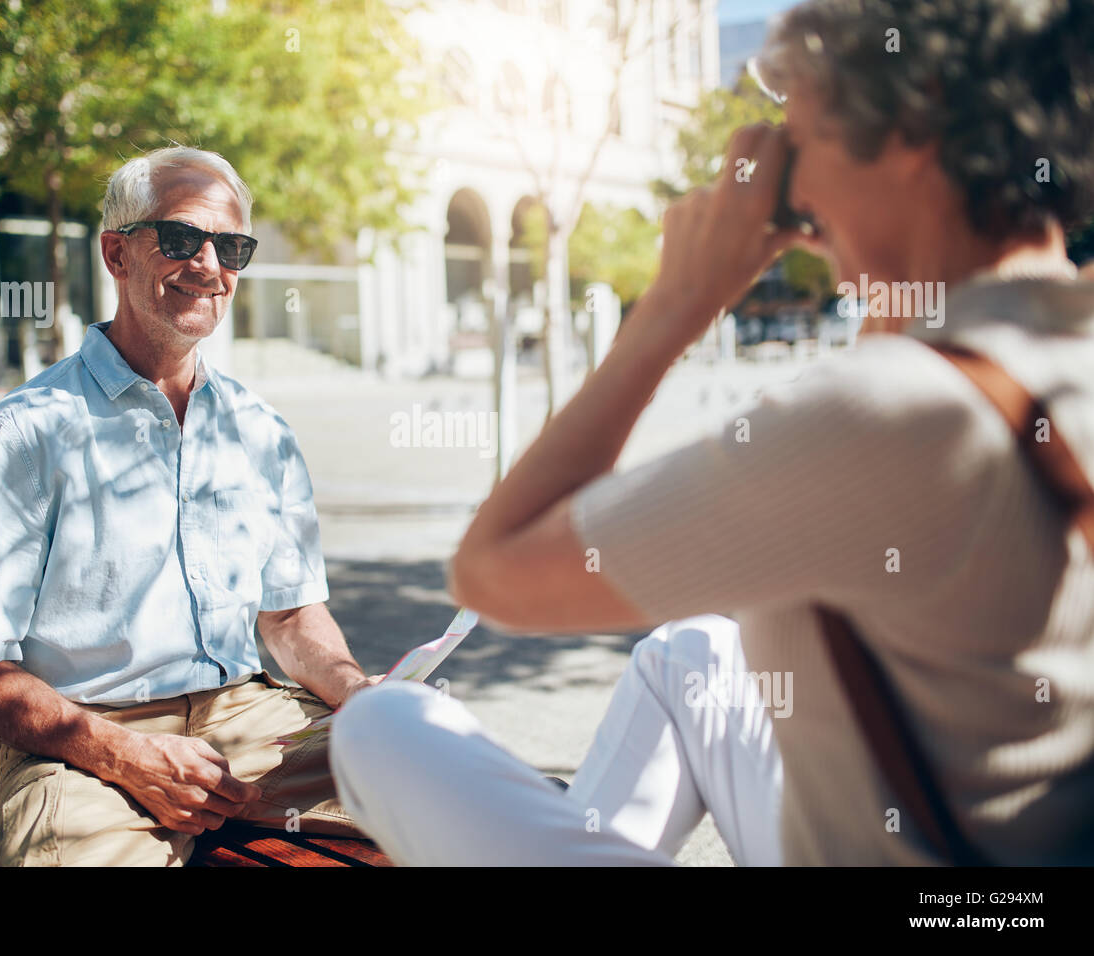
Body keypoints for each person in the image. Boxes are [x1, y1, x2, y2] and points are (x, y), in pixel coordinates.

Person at [330, 0, 1094, 865]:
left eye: (800, 140)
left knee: (383, 723)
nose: (795, 191)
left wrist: (676, 304)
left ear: (912, 122)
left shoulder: (894, 412)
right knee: (690, 652)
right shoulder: (1048, 346)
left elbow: (493, 571)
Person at [0, 146, 382, 866]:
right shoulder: (27, 431)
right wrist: (122, 753)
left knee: (456, 779)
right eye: (180, 239)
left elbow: (291, 616)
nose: (208, 265)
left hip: (252, 725)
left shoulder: (261, 430)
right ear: (116, 254)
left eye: (231, 246)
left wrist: (356, 690)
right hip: (84, 740)